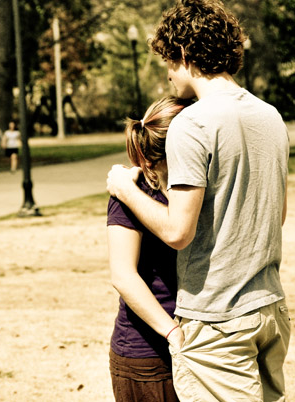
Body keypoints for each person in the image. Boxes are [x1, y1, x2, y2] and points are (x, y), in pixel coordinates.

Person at [106, 0, 291, 402]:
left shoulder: (193, 123)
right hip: (269, 309)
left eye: (169, 61)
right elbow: (276, 216)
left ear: (185, 52)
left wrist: (124, 189)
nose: (169, 75)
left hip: (218, 318)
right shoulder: (270, 116)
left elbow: (178, 232)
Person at [107, 96, 189, 402]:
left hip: (196, 346)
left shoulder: (194, 189)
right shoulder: (131, 190)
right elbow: (123, 275)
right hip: (146, 356)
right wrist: (172, 332)